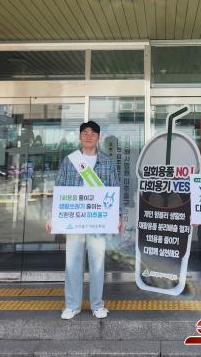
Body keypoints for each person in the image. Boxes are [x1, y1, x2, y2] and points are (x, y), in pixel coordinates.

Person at [45, 120, 119, 320]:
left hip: (98, 221)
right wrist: (52, 217)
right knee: (72, 264)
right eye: (85, 132)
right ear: (80, 136)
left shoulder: (107, 162)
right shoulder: (70, 161)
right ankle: (72, 305)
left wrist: (117, 217)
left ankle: (97, 305)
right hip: (75, 221)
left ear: (98, 137)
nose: (89, 136)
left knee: (97, 264)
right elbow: (59, 189)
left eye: (93, 133)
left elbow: (114, 191)